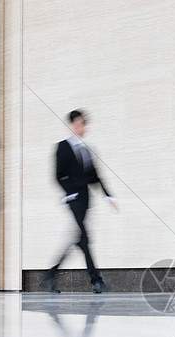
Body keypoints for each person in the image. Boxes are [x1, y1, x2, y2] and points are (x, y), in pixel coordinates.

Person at [41, 110, 118, 294]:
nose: (83, 127)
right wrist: (69, 192)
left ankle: (50, 275)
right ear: (73, 124)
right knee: (84, 238)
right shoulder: (62, 147)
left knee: (79, 239)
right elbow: (58, 175)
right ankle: (96, 281)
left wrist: (109, 196)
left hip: (86, 201)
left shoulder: (87, 150)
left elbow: (95, 177)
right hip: (73, 200)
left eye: (85, 124)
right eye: (80, 123)